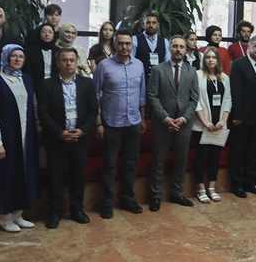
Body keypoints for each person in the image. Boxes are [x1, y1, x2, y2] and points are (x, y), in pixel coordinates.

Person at [38, 46, 98, 228]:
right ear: (57, 63)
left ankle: (77, 209)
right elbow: (43, 113)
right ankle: (54, 212)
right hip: (56, 139)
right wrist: (60, 133)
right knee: (54, 178)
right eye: (64, 60)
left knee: (78, 177)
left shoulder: (87, 83)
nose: (69, 63)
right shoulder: (47, 84)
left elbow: (93, 110)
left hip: (80, 139)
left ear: (76, 62)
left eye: (72, 60)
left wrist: (83, 130)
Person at [93, 30, 148, 218]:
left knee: (131, 164)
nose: (125, 47)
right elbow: (95, 95)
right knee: (109, 164)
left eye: (128, 43)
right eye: (121, 43)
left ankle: (128, 200)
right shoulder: (104, 66)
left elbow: (142, 94)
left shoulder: (139, 65)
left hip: (134, 121)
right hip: (112, 122)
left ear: (132, 45)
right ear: (115, 45)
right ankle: (107, 203)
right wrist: (98, 123)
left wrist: (142, 118)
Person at [0, 44, 38, 232]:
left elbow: (33, 106)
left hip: (26, 136)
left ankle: (18, 215)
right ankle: (4, 218)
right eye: (13, 56)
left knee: (23, 174)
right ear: (5, 58)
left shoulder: (27, 80)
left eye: (21, 56)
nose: (17, 59)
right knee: (6, 176)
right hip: (7, 137)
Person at [147, 35, 199, 209]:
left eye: (181, 47)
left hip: (184, 123)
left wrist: (184, 118)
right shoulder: (158, 70)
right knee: (158, 160)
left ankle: (177, 193)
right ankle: (155, 195)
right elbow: (152, 96)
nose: (178, 49)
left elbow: (194, 99)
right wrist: (165, 118)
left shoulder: (192, 71)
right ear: (169, 48)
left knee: (181, 160)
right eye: (175, 46)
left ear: (185, 50)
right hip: (162, 123)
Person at [228, 35, 256, 198]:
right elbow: (236, 91)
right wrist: (237, 115)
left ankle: (251, 183)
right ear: (249, 47)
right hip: (242, 117)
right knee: (238, 152)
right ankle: (237, 185)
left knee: (253, 152)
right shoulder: (239, 64)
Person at [191, 46, 231, 202]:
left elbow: (228, 100)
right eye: (208, 57)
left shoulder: (225, 77)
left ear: (218, 60)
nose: (210, 60)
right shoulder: (197, 75)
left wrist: (223, 121)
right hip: (201, 125)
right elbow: (195, 101)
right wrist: (205, 121)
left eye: (213, 57)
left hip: (219, 125)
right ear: (204, 59)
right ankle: (201, 189)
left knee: (215, 157)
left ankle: (212, 188)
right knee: (201, 157)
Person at [25, 23, 57, 89]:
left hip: (55, 86)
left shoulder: (58, 51)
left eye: (50, 32)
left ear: (54, 34)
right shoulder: (30, 51)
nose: (47, 34)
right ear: (39, 33)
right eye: (43, 32)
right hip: (36, 85)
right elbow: (27, 71)